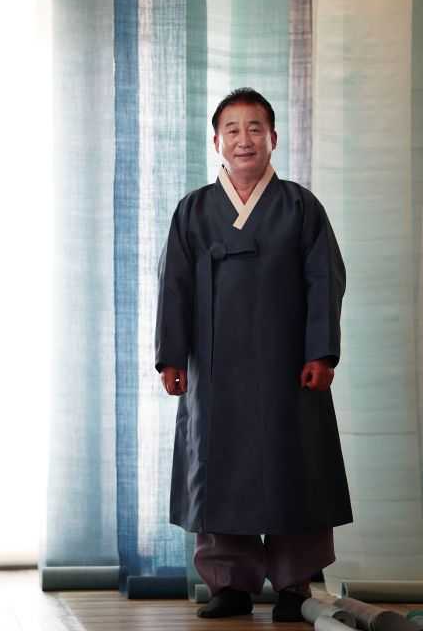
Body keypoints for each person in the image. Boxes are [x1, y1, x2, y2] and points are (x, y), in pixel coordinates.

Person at [154, 88, 353, 622]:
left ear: (274, 138)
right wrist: (172, 357)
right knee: (217, 470)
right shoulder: (193, 211)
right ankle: (230, 584)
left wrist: (321, 353)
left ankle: (295, 585)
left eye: (255, 128)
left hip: (290, 366)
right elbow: (173, 287)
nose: (245, 139)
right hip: (214, 368)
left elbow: (325, 282)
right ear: (216, 142)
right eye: (233, 130)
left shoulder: (301, 207)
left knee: (296, 468)